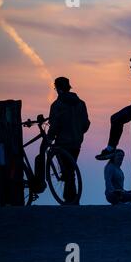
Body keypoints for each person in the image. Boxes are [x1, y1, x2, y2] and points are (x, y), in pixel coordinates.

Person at [47, 76, 90, 204]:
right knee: (70, 169)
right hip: (76, 142)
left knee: (67, 170)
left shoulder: (57, 105)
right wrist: (78, 133)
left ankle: (71, 199)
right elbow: (86, 124)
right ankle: (71, 198)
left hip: (63, 143)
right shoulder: (81, 103)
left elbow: (54, 125)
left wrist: (50, 138)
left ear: (58, 89)